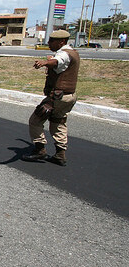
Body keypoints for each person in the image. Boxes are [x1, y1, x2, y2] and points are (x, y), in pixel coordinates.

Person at [22, 30, 79, 166]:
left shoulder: (63, 53)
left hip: (57, 98)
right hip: (69, 96)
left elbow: (57, 61)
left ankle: (39, 149)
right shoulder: (73, 52)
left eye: (51, 41)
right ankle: (60, 154)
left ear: (62, 42)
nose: (49, 43)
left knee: (35, 121)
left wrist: (45, 63)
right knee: (58, 123)